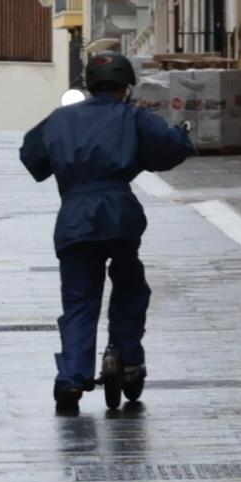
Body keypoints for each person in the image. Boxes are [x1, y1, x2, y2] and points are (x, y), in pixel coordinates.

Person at [19, 51, 195, 415]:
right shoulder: (133, 117)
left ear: (89, 83)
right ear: (125, 87)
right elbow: (170, 150)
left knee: (80, 300)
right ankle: (127, 357)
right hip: (119, 215)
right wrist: (182, 134)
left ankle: (71, 377)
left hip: (74, 220)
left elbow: (31, 157)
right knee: (129, 284)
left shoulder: (61, 119)